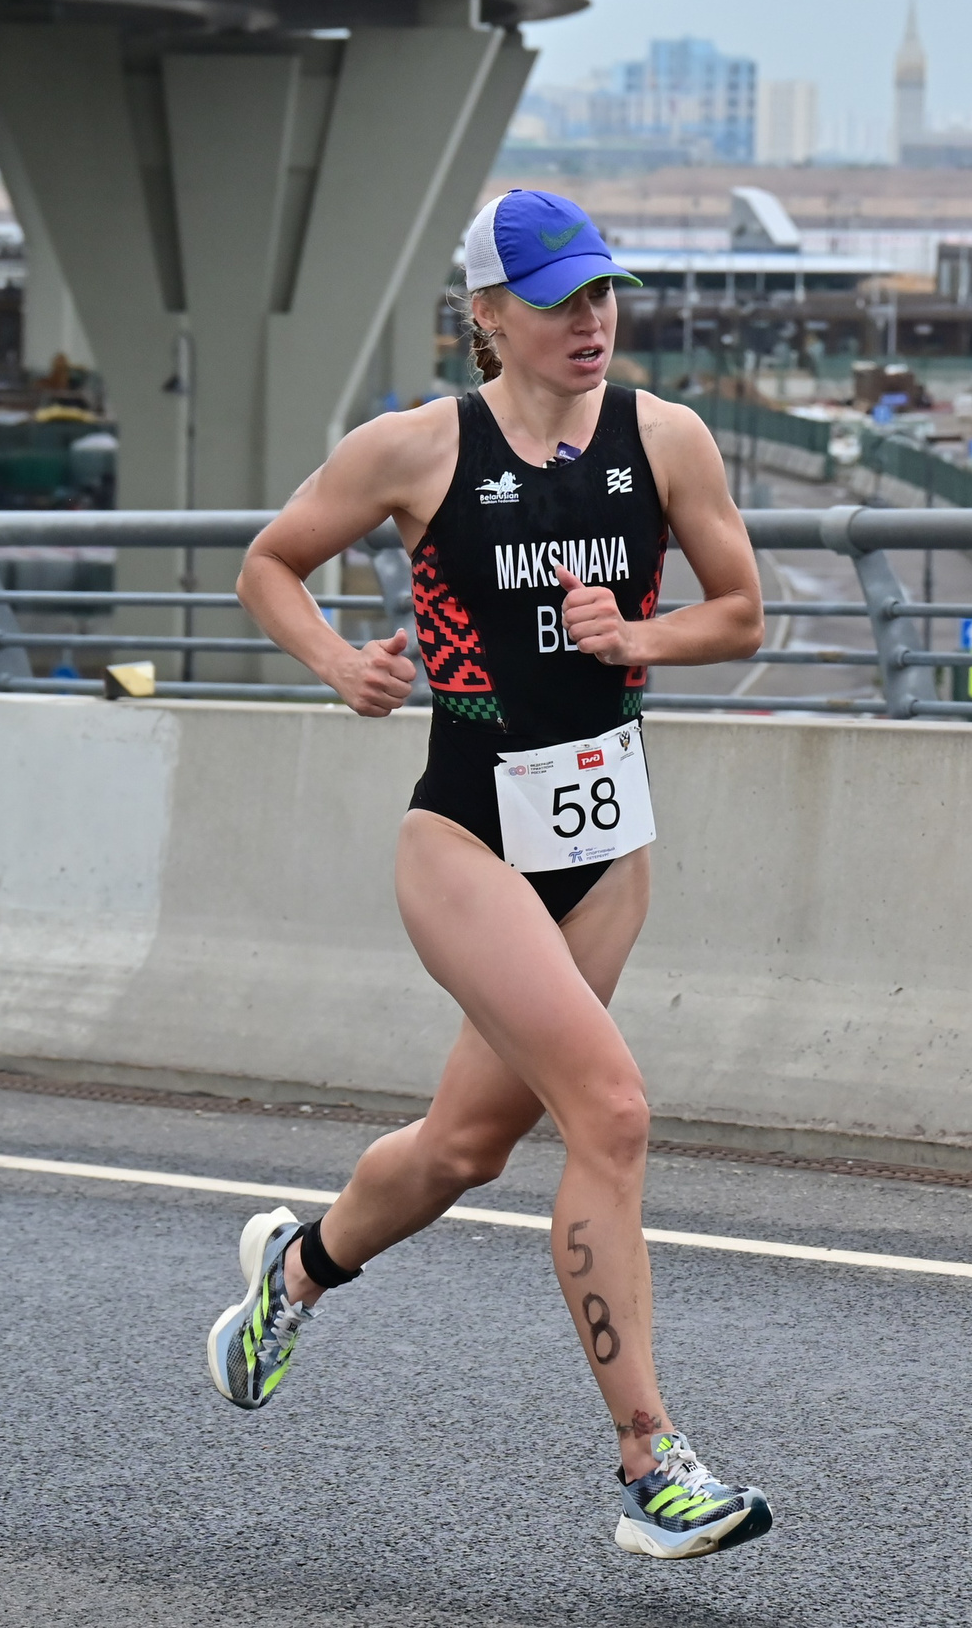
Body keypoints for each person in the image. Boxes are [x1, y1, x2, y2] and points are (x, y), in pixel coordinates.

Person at [209, 188, 771, 1562]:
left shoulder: (664, 439)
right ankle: (651, 1461)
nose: (594, 320)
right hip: (464, 837)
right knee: (614, 1111)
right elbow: (269, 564)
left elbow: (743, 610)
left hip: (606, 851)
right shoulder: (415, 451)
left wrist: (641, 635)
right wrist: (342, 661)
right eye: (563, 298)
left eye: (605, 295)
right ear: (490, 316)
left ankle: (294, 1271)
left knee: (464, 1147)